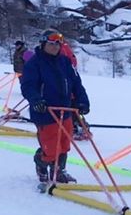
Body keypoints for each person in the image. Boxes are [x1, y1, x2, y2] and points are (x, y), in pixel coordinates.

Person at [20, 29, 90, 184]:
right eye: (51, 44)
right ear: (44, 44)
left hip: (65, 110)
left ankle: (59, 171)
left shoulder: (64, 62)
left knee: (64, 144)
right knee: (51, 148)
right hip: (45, 112)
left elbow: (76, 84)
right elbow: (28, 86)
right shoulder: (35, 63)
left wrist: (82, 101)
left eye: (58, 44)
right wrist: (36, 100)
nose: (55, 47)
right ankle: (41, 163)